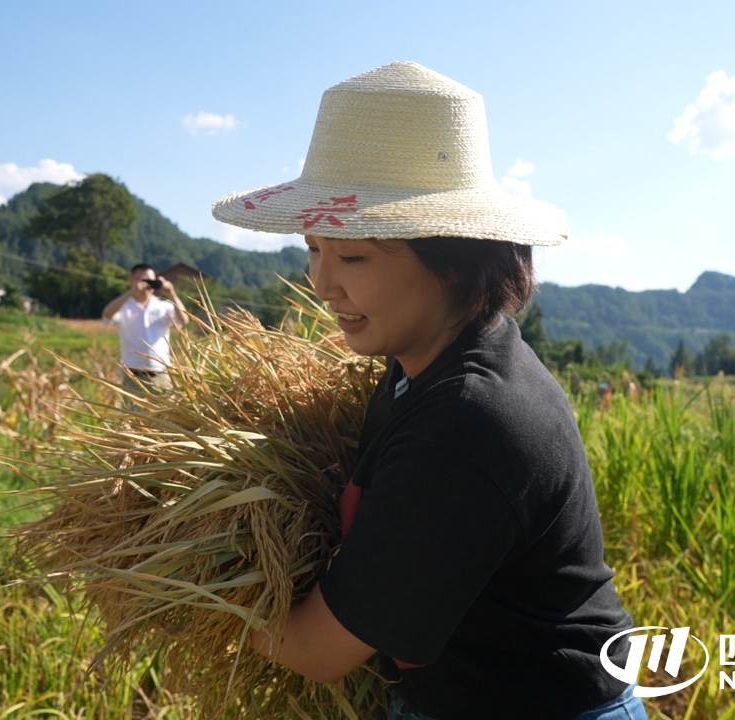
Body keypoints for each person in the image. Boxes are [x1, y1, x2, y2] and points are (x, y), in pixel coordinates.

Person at [210, 62, 646, 719]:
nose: (322, 284)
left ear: (454, 262)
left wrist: (194, 588)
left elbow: (314, 650)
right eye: (314, 249)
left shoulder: (468, 421)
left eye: (352, 256)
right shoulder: (421, 365)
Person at [101, 263, 189, 394]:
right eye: (141, 279)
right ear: (131, 280)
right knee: (133, 408)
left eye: (150, 280)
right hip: (133, 376)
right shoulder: (124, 306)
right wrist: (132, 292)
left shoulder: (164, 306)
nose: (146, 284)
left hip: (161, 374)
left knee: (165, 406)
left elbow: (184, 320)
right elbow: (107, 315)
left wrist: (172, 293)